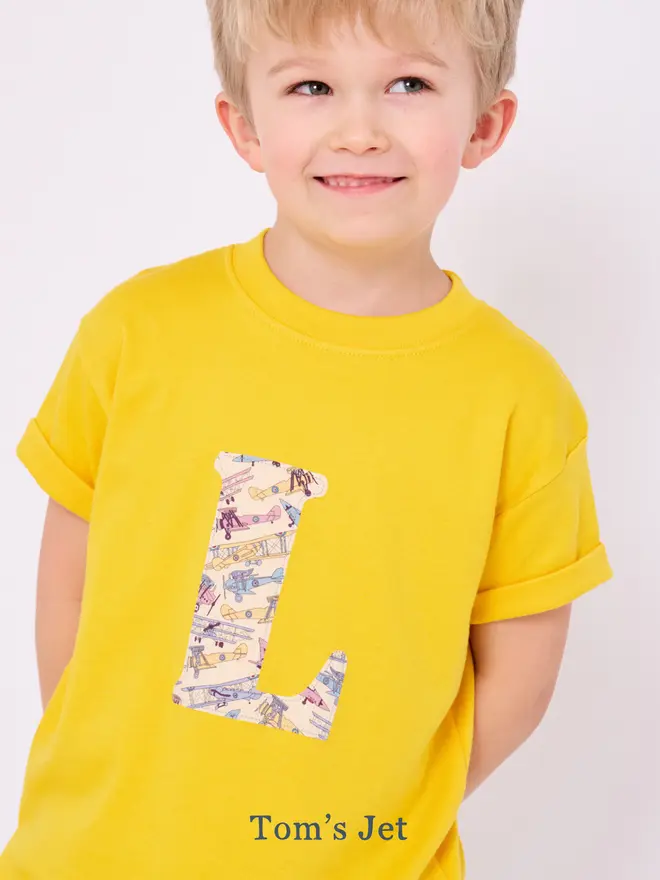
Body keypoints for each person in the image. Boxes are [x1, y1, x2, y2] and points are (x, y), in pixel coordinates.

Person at [1, 1, 614, 878]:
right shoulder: (139, 331)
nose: (358, 130)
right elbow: (69, 578)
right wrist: (108, 767)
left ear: (484, 124)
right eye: (312, 87)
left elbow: (520, 665)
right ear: (244, 125)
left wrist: (379, 813)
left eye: (408, 83)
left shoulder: (519, 395)